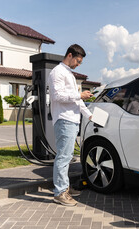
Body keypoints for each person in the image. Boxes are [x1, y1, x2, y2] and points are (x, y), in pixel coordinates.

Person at [48, 44, 93, 206]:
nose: (78, 64)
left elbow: (76, 100)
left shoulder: (69, 74)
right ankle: (60, 192)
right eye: (78, 61)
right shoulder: (57, 72)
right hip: (64, 119)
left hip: (72, 120)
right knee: (63, 157)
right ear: (69, 55)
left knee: (67, 158)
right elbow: (57, 95)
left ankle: (64, 187)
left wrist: (89, 115)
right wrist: (79, 94)